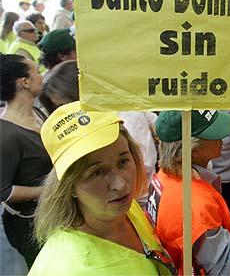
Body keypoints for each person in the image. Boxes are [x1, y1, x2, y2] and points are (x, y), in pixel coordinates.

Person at [30, 101, 175, 275]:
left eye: (123, 161)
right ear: (68, 186)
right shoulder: (64, 268)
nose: (120, 184)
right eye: (97, 172)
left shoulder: (124, 210)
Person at [148, 110, 230, 274]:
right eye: (214, 133)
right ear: (194, 150)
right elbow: (224, 271)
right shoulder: (198, 207)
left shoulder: (163, 177)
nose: (222, 138)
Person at [0, 54, 50, 267]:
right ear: (25, 82)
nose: (42, 75)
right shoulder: (6, 134)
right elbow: (4, 191)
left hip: (48, 215)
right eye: (37, 71)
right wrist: (51, 190)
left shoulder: (38, 113)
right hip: (30, 226)